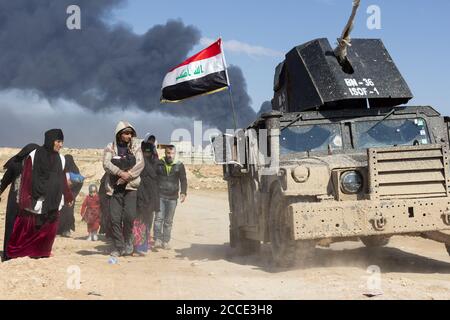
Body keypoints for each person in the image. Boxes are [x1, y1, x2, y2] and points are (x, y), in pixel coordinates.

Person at [6, 129, 73, 259]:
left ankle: (42, 252)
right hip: (36, 199)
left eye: (62, 142)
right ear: (50, 140)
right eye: (58, 141)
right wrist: (26, 199)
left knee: (48, 230)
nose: (61, 145)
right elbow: (27, 177)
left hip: (54, 199)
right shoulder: (34, 155)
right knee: (26, 228)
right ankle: (18, 252)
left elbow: (63, 179)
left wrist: (68, 196)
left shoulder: (61, 159)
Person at [103, 121, 144, 257]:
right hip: (115, 188)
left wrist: (128, 176)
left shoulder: (136, 147)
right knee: (115, 219)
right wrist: (120, 173)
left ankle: (128, 242)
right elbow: (106, 163)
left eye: (130, 133)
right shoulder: (111, 147)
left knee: (129, 216)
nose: (129, 136)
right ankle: (118, 246)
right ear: (120, 134)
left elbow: (140, 164)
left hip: (131, 188)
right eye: (126, 133)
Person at [0, 143, 39, 261]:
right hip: (15, 201)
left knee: (26, 227)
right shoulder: (15, 164)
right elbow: (5, 181)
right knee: (13, 226)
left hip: (28, 201)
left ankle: (19, 251)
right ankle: (8, 253)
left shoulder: (36, 165)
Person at [154, 145, 187, 250]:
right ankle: (157, 239)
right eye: (168, 153)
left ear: (175, 154)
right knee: (158, 219)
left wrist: (183, 192)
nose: (170, 155)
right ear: (165, 153)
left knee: (168, 221)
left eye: (172, 153)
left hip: (173, 198)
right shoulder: (159, 163)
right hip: (160, 195)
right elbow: (154, 178)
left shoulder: (179, 165)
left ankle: (166, 241)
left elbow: (183, 180)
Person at [133, 140, 160, 255]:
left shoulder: (156, 163)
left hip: (151, 196)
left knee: (148, 221)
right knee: (138, 221)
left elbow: (158, 180)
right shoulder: (137, 163)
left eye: (149, 152)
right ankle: (138, 245)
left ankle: (144, 246)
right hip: (139, 195)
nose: (147, 154)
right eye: (145, 152)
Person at [58, 155, 84, 237]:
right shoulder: (61, 169)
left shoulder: (75, 171)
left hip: (71, 196)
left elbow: (80, 183)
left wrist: (72, 192)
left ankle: (66, 229)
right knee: (60, 212)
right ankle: (59, 230)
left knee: (68, 212)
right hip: (61, 196)